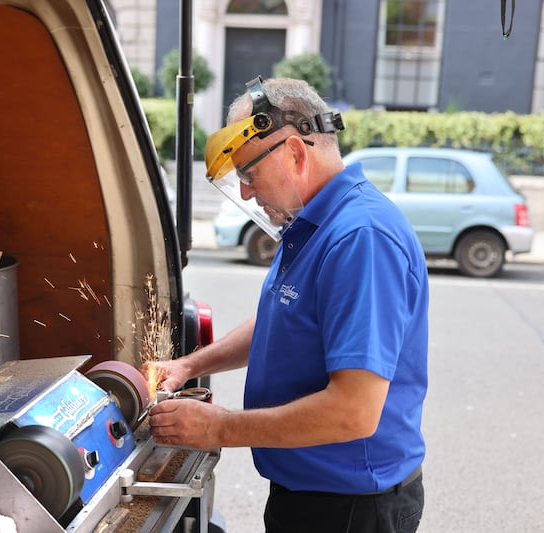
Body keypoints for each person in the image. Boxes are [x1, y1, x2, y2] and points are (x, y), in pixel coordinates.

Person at [145, 76, 429, 533]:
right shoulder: (314, 221)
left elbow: (353, 411)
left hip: (350, 508)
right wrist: (186, 364)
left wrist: (219, 429)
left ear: (296, 153)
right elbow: (281, 317)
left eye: (248, 175)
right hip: (309, 495)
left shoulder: (362, 238)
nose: (245, 193)